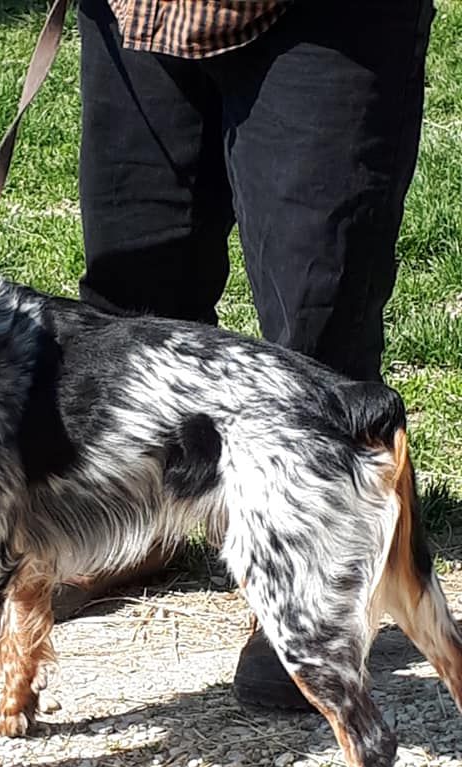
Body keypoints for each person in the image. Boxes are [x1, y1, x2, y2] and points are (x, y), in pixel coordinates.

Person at [76, 0, 435, 709]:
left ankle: (318, 580)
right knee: (134, 299)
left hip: (327, 22)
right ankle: (143, 527)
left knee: (318, 307)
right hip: (138, 15)